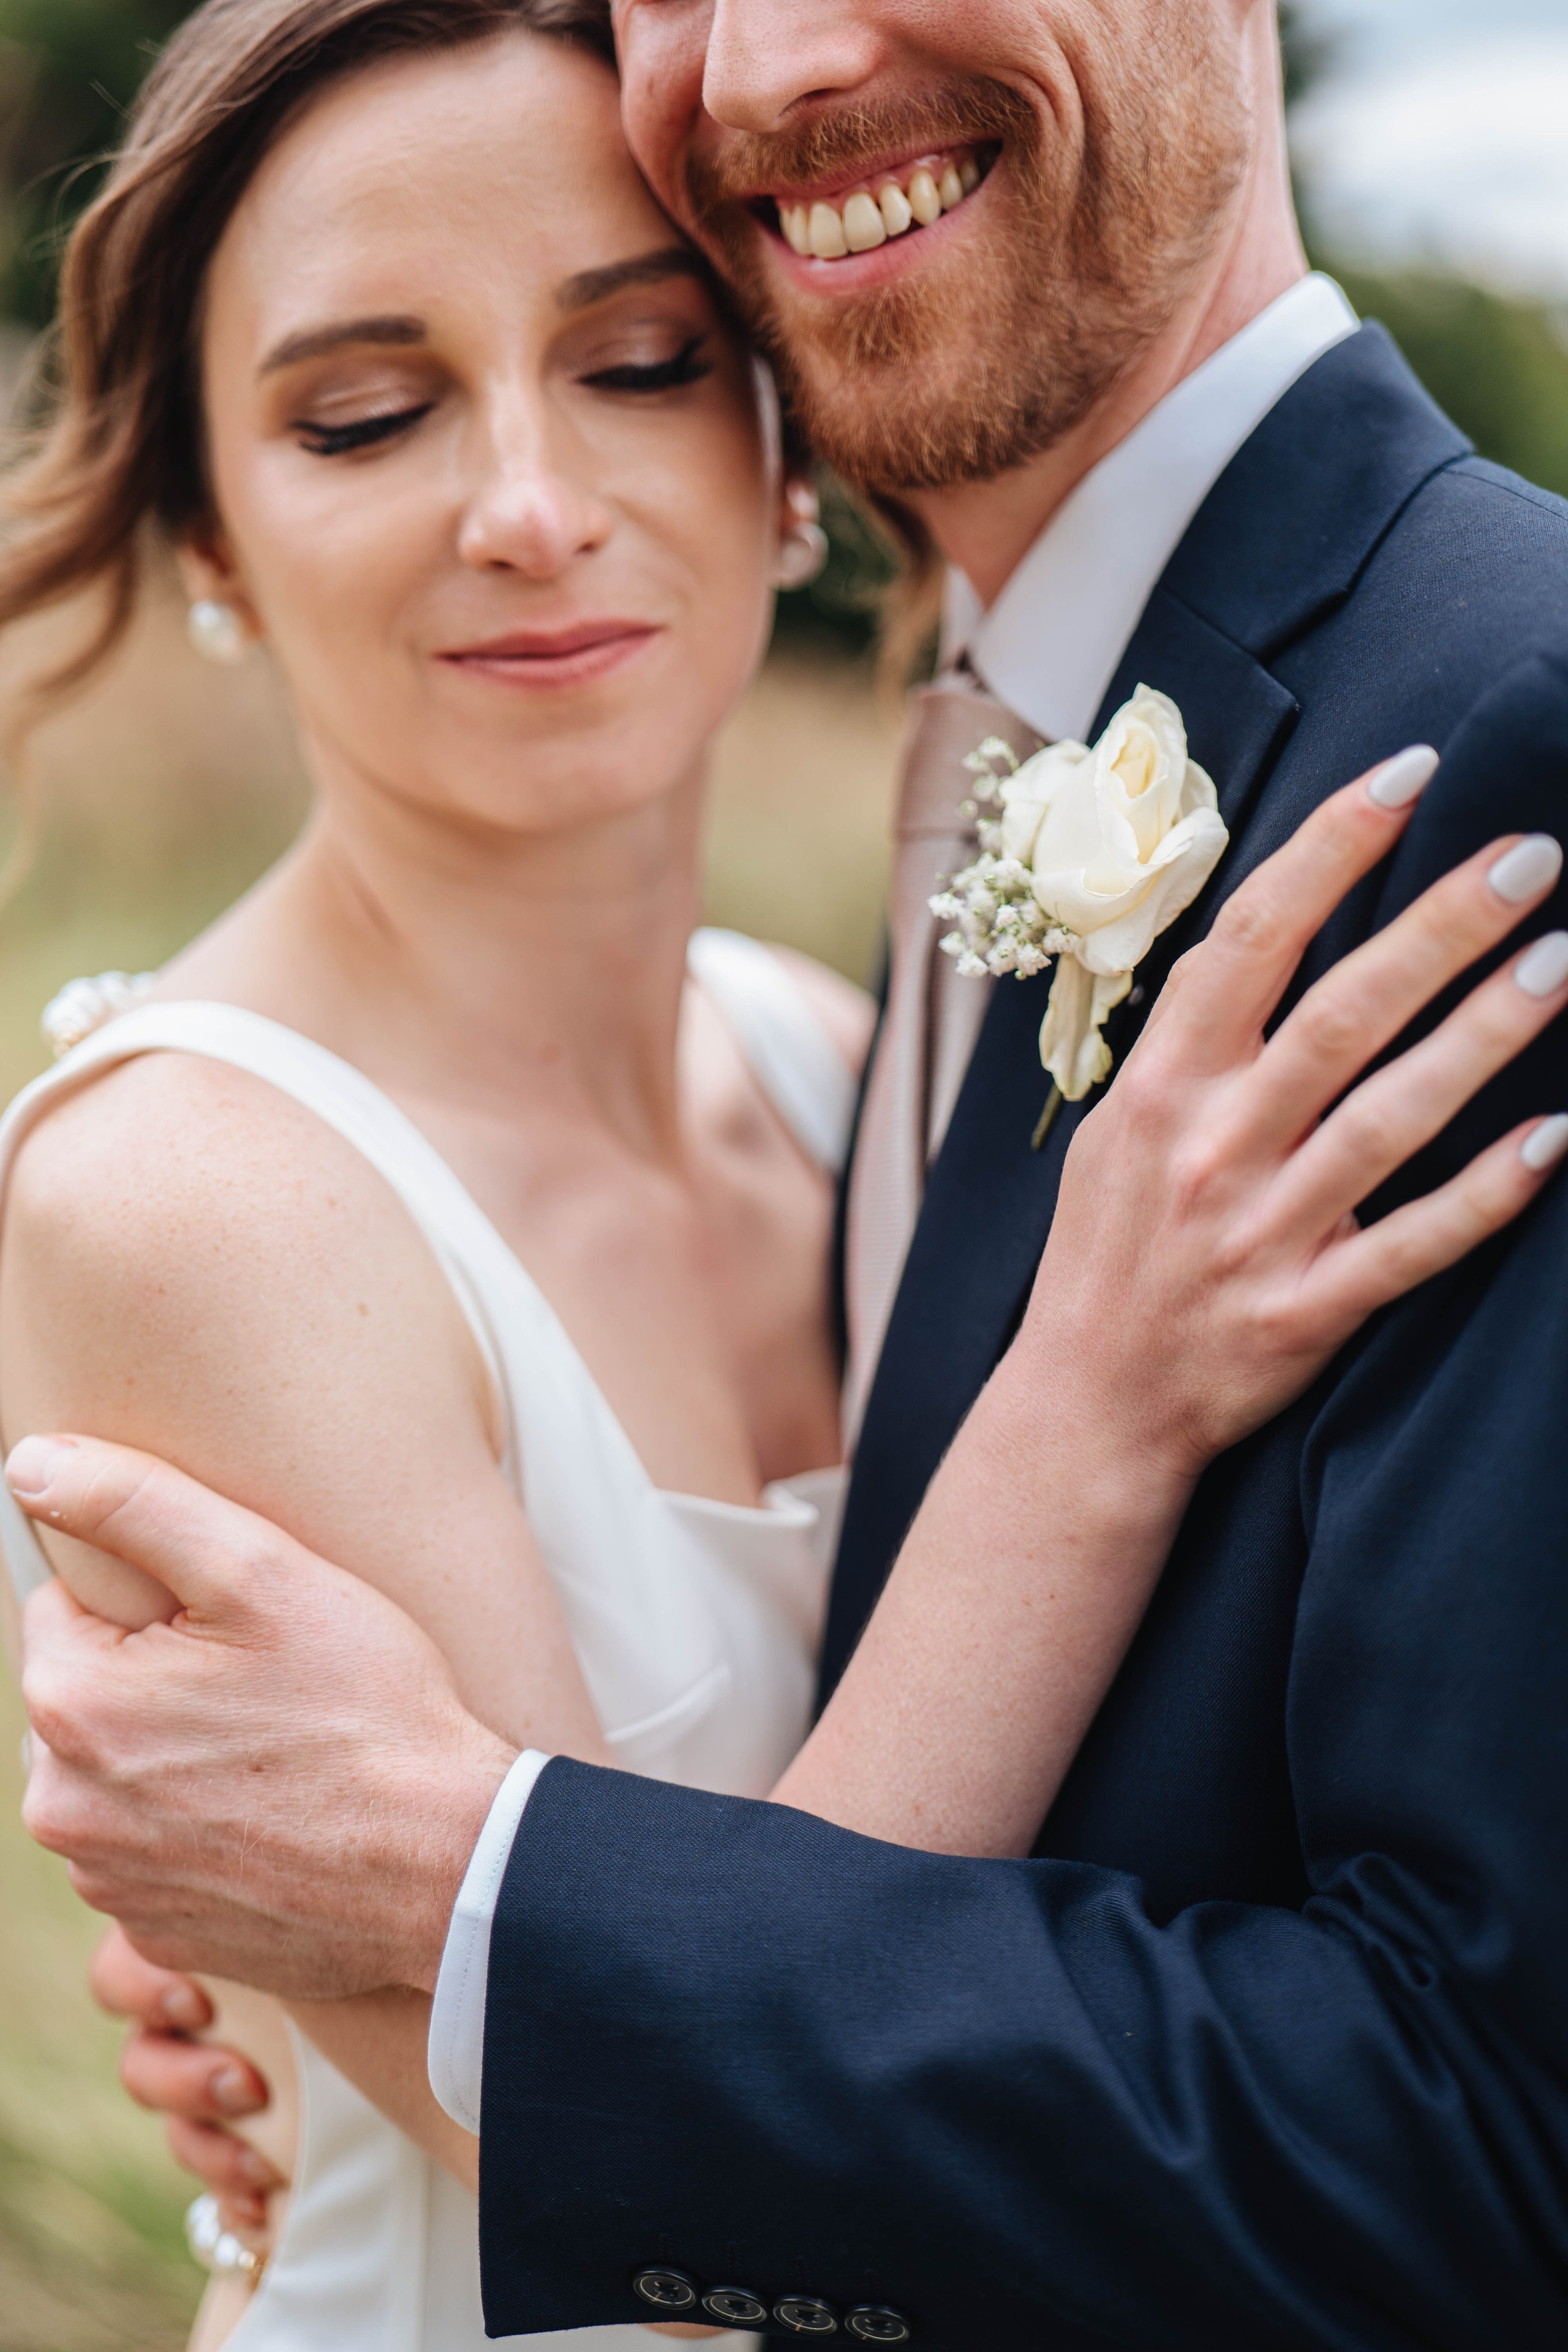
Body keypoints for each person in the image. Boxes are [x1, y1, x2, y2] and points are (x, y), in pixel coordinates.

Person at [9, 0, 1568, 2345]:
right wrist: (1092, 1407)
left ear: (769, 440)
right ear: (209, 517)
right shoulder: (200, 1190)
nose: (528, 507)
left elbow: (1461, 2098)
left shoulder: (825, 1045)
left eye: (637, 363)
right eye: (360, 412)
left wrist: (441, 1905)